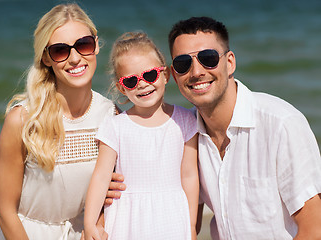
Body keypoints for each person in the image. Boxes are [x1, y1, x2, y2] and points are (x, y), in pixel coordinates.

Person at [106, 17, 321, 239]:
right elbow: (185, 221)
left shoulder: (280, 124)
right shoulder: (184, 133)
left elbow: (314, 230)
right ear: (173, 74)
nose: (197, 71)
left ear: (230, 63)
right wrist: (118, 187)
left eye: (208, 59)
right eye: (183, 64)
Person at [0, 3, 115, 240]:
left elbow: (109, 197)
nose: (75, 58)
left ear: (96, 45)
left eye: (84, 45)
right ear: (47, 58)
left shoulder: (112, 116)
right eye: (60, 50)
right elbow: (5, 212)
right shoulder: (22, 119)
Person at [83, 32, 199, 240]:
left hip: (172, 219)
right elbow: (100, 177)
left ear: (165, 75)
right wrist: (90, 223)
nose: (142, 84)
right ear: (121, 87)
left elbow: (189, 176)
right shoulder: (115, 126)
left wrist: (191, 226)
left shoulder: (185, 120)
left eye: (150, 75)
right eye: (131, 81)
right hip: (127, 221)